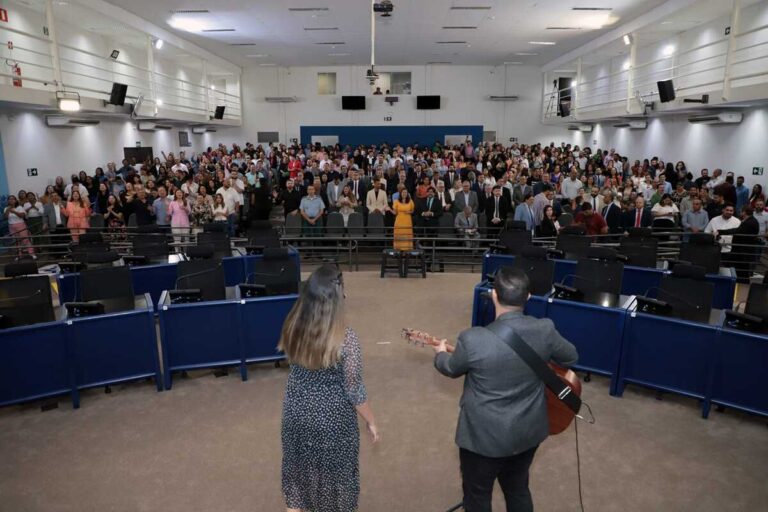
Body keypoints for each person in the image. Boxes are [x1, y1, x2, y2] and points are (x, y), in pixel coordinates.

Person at [432, 267, 577, 512]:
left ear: (493, 295)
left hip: (482, 439)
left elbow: (451, 368)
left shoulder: (472, 338)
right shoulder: (545, 330)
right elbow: (571, 356)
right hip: (527, 432)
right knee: (518, 488)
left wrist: (438, 355)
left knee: (477, 496)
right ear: (528, 297)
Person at [279, 265, 378, 512]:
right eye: (343, 291)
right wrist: (372, 421)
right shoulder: (346, 339)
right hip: (332, 424)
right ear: (336, 298)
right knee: (337, 484)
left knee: (298, 478)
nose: (345, 295)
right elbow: (354, 390)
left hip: (295, 415)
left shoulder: (292, 325)